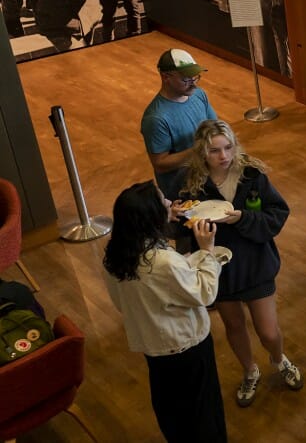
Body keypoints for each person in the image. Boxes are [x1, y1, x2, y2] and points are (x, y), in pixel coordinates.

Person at [173, 119, 301, 408]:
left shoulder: (253, 175)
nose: (224, 157)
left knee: (268, 330)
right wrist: (178, 217)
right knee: (234, 326)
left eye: (228, 147)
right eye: (215, 151)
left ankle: (279, 359)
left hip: (256, 264)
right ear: (202, 153)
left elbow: (277, 214)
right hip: (219, 269)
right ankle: (249, 370)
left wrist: (243, 218)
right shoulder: (192, 182)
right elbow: (182, 228)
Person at [102, 182, 226, 443]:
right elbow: (204, 293)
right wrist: (207, 251)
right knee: (202, 414)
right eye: (164, 202)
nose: (171, 202)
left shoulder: (115, 253)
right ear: (150, 216)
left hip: (154, 348)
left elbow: (126, 300)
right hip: (186, 346)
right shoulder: (163, 262)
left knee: (173, 412)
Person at [140, 49, 218, 197]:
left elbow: (214, 126)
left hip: (209, 178)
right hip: (183, 190)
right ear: (165, 77)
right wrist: (199, 150)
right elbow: (160, 164)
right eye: (186, 79)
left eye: (195, 78)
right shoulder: (156, 118)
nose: (193, 84)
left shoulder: (199, 95)